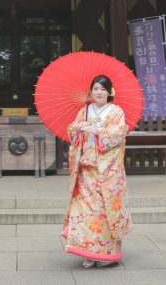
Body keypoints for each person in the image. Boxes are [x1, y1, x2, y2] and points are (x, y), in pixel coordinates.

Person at [63, 75, 132, 268]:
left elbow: (119, 134)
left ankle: (107, 254)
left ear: (109, 92)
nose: (99, 92)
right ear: (91, 91)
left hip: (106, 170)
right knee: (86, 212)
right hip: (86, 168)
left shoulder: (116, 111)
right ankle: (89, 252)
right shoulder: (84, 110)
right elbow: (71, 132)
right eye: (95, 88)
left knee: (104, 211)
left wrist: (98, 132)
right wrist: (78, 128)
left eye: (103, 89)